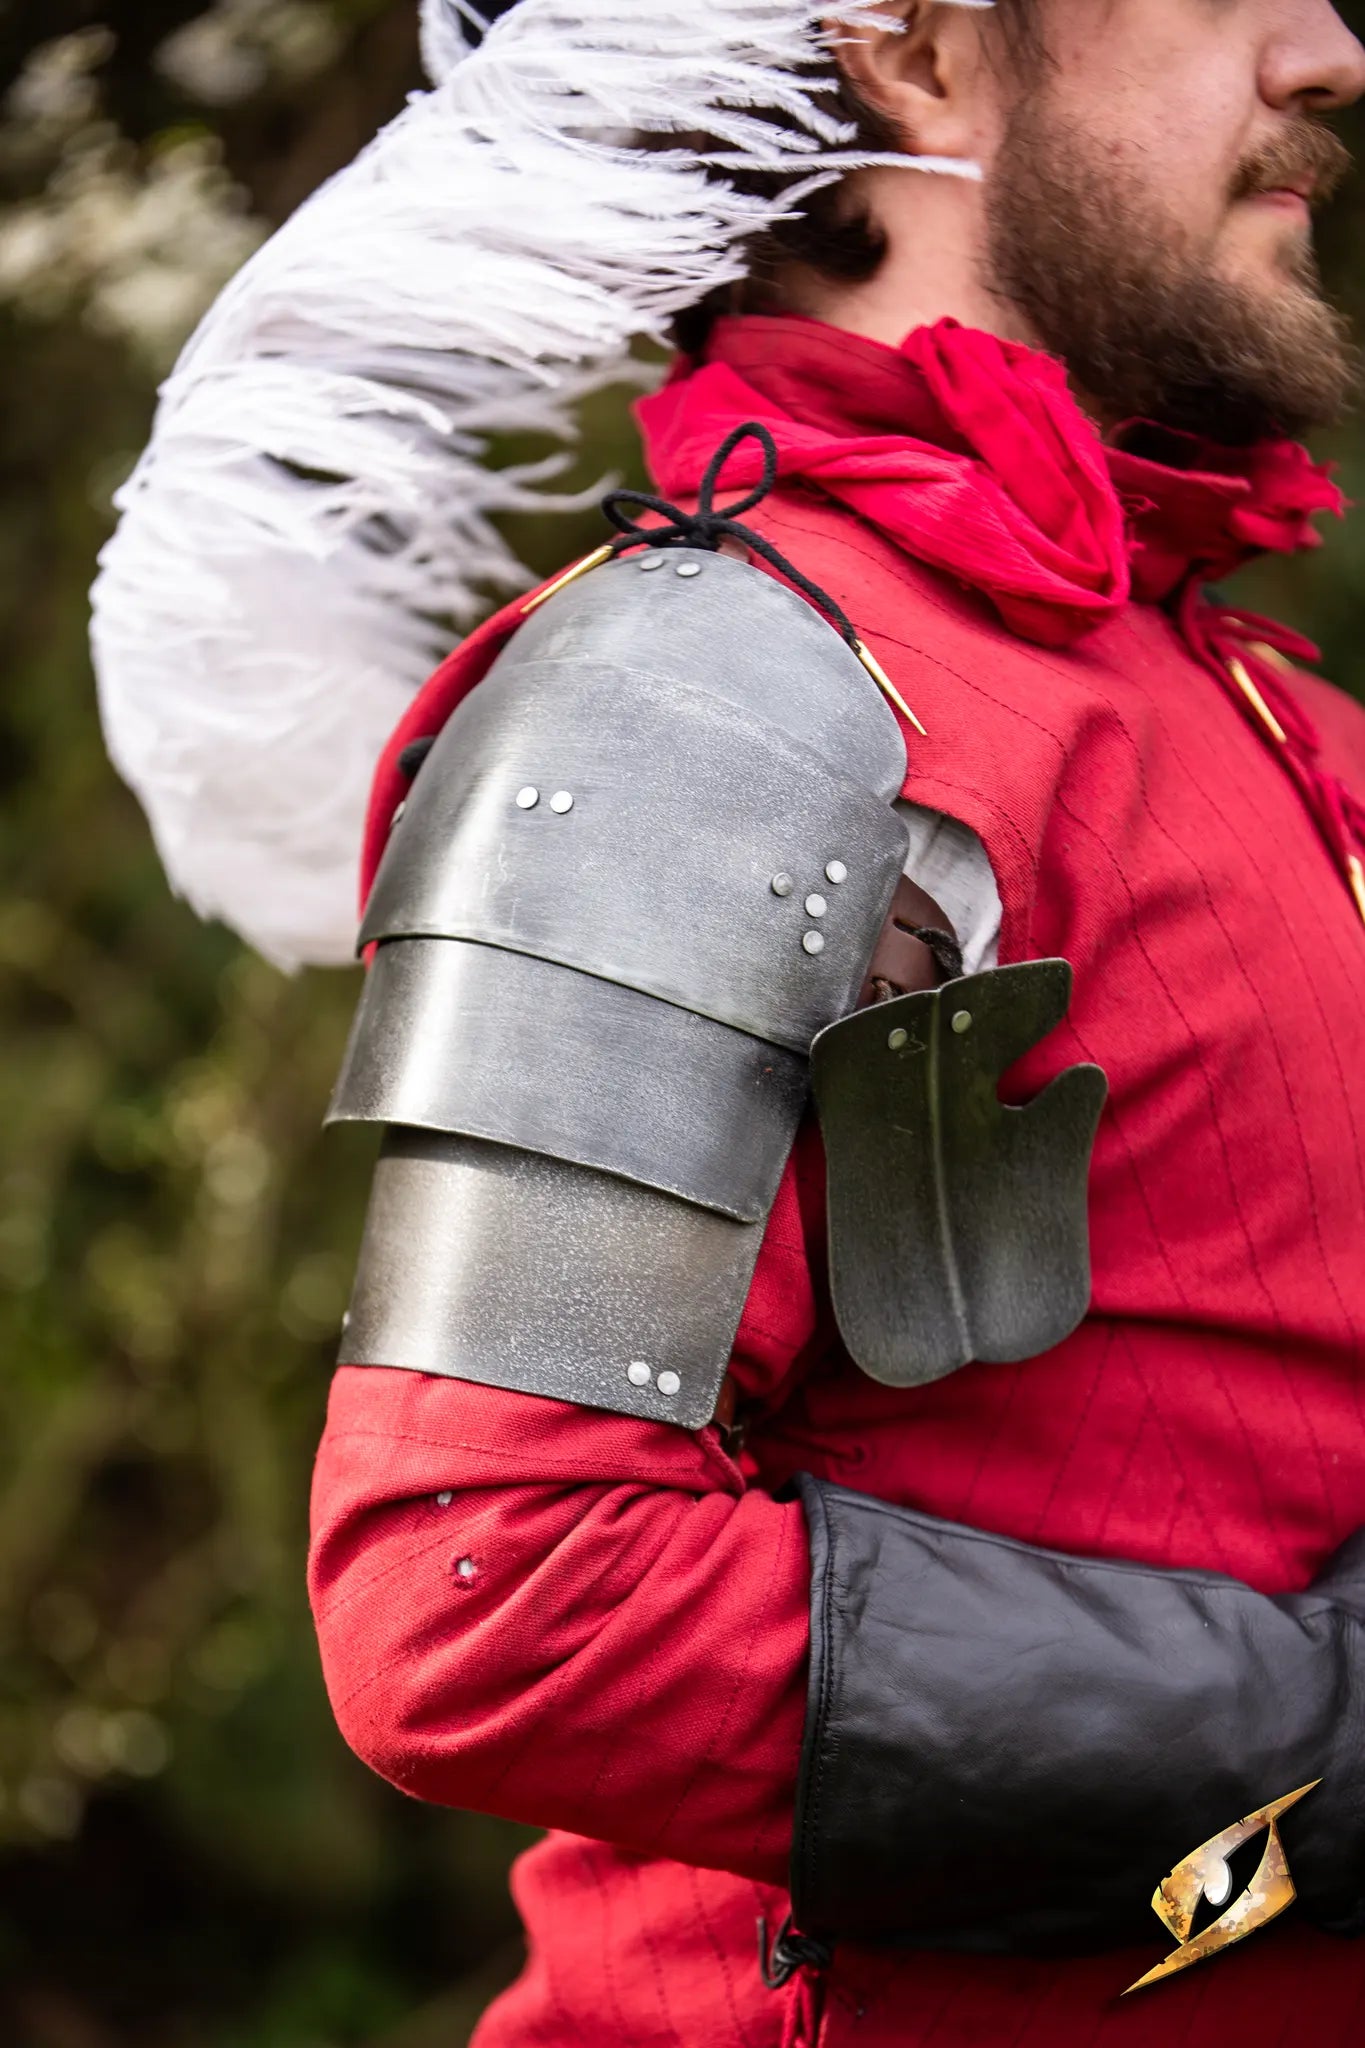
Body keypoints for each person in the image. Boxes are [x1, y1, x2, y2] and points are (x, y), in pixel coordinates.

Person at [90, 1, 1365, 2043]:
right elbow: (492, 1599)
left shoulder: (1267, 712)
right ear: (919, 53)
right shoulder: (720, 688)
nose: (1323, 53)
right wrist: (1323, 1738)